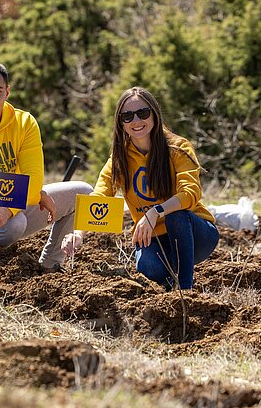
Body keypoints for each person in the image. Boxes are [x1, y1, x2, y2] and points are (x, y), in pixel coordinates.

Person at [0, 59, 92, 270]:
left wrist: (18, 202)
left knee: (83, 193)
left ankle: (50, 265)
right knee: (14, 223)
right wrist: (30, 197)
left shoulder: (25, 123)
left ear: (7, 92)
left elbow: (35, 179)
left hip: (10, 205)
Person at [63, 86, 219, 289]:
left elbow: (190, 193)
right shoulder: (120, 157)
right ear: (121, 122)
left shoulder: (178, 147)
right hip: (153, 237)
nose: (136, 121)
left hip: (195, 233)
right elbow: (100, 195)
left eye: (143, 113)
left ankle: (185, 288)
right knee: (149, 270)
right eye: (127, 116)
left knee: (176, 216)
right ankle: (170, 276)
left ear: (154, 114)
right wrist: (78, 234)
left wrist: (156, 211)